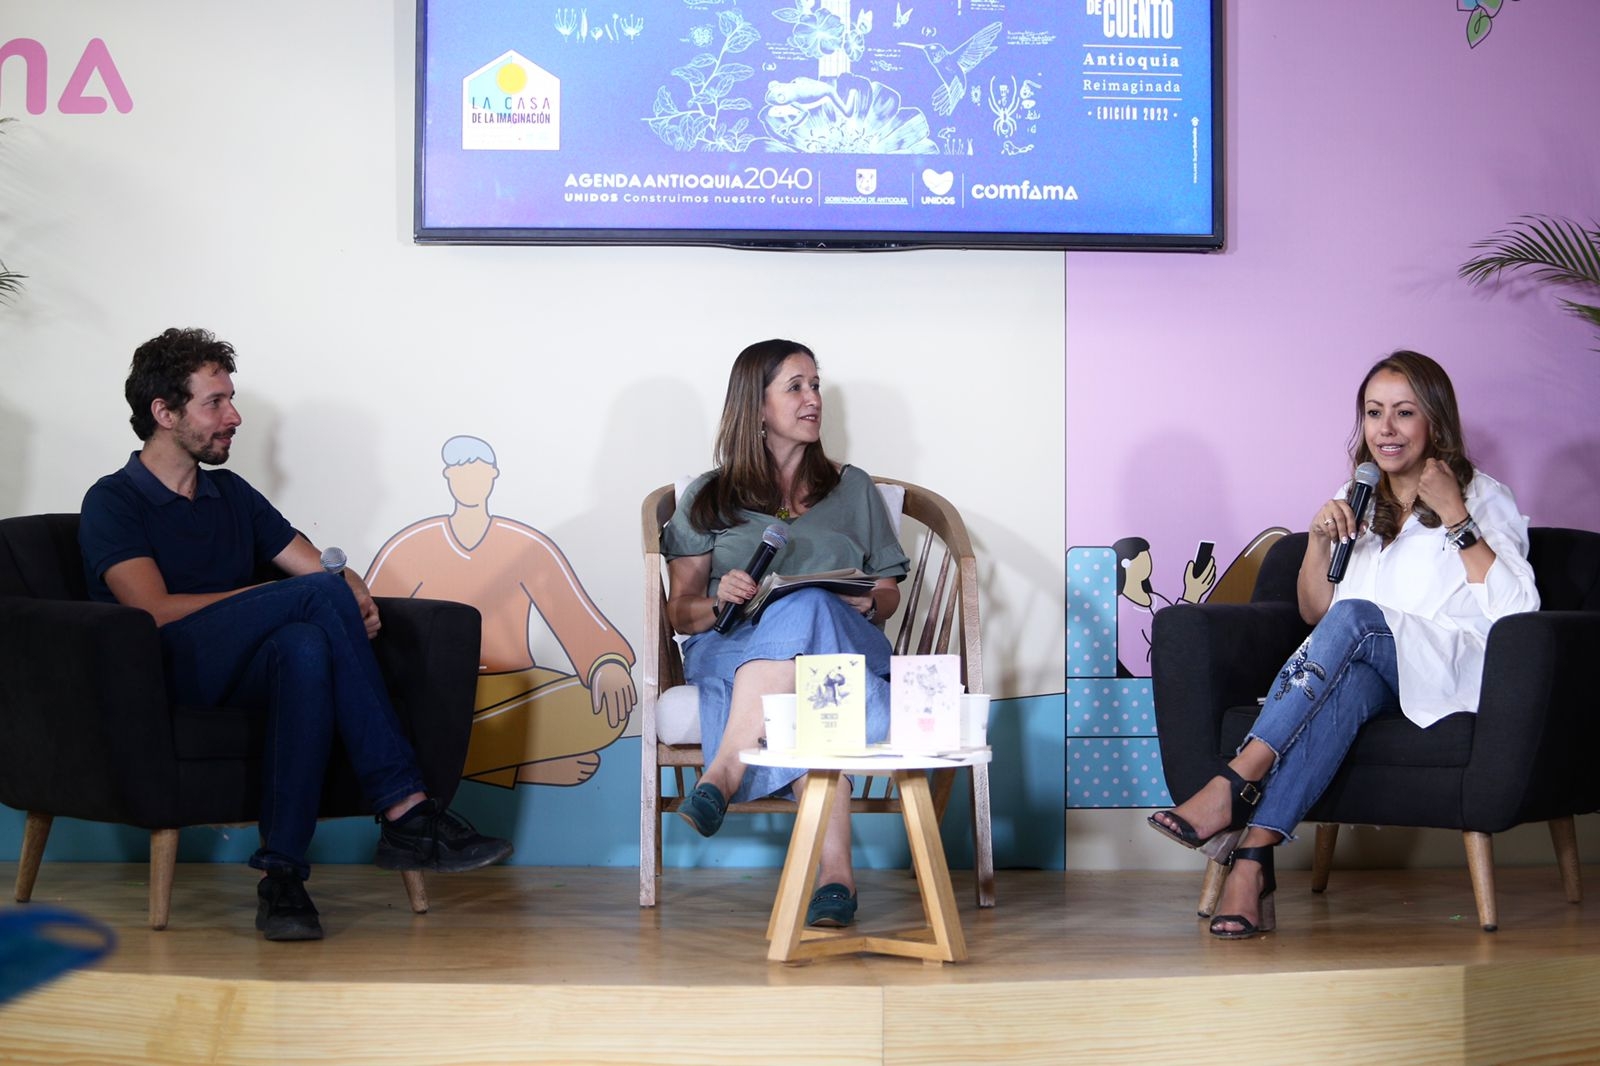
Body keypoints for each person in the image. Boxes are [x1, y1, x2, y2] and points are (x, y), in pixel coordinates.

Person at [78, 328, 514, 943]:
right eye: (214, 403)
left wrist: (352, 586)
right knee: (316, 600)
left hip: (244, 668)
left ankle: (281, 877)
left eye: (231, 399)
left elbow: (318, 571)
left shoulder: (231, 493)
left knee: (306, 646)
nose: (233, 417)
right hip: (165, 671)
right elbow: (152, 611)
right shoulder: (114, 501)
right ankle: (405, 808)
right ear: (164, 413)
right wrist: (311, 593)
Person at [1147, 350, 1538, 939]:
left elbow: (1518, 609)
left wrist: (1456, 516)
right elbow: (1315, 613)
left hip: (1449, 668)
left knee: (1356, 617)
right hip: (1370, 668)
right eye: (1374, 413)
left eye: (1404, 412)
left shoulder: (1482, 496)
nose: (1386, 429)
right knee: (1349, 675)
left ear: (1434, 419)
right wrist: (1316, 541)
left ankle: (1235, 780)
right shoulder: (1358, 496)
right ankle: (1252, 861)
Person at [661, 339, 909, 928]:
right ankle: (836, 879)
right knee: (808, 700)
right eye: (795, 387)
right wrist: (719, 597)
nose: (813, 399)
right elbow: (680, 613)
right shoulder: (708, 496)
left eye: (815, 385)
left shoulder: (853, 488)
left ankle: (724, 772)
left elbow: (888, 593)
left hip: (846, 644)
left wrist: (867, 600)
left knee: (809, 603)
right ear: (757, 405)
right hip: (736, 647)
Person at [366, 434, 637, 788]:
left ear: (493, 474)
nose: (469, 479)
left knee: (603, 708)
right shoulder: (411, 545)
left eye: (478, 470)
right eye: (460, 471)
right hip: (437, 689)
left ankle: (461, 758)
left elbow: (575, 613)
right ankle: (512, 768)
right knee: (387, 715)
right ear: (447, 476)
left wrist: (606, 663)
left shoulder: (526, 544)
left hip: (516, 687)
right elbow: (366, 619)